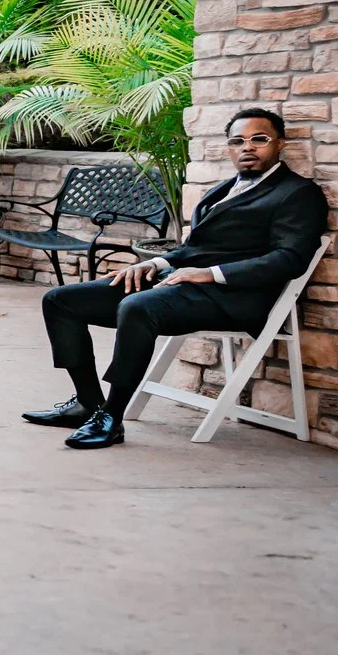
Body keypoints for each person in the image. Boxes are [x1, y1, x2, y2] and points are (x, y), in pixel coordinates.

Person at [30, 106, 331, 450]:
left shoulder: (297, 193)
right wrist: (154, 264)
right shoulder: (225, 188)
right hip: (181, 281)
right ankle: (88, 402)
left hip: (232, 295)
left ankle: (111, 416)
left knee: (138, 306)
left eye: (259, 139)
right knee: (61, 301)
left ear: (279, 144)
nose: (248, 147)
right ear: (229, 148)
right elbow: (194, 248)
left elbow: (288, 259)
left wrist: (210, 274)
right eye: (238, 141)